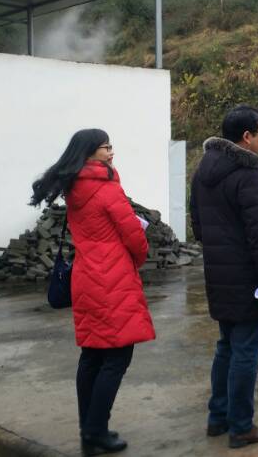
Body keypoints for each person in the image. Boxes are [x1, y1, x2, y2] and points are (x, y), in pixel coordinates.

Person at [30, 129, 155, 456]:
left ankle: (88, 429)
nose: (111, 152)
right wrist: (136, 259)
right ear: (88, 153)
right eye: (105, 147)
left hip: (86, 275)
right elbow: (133, 235)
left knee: (93, 354)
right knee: (117, 356)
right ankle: (97, 429)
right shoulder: (106, 187)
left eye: (111, 146)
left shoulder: (74, 187)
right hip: (112, 278)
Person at [190, 105, 258, 450]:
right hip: (248, 281)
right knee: (245, 350)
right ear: (247, 137)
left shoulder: (203, 170)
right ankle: (241, 427)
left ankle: (218, 418)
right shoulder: (247, 173)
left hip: (217, 275)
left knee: (226, 346)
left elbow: (198, 226)